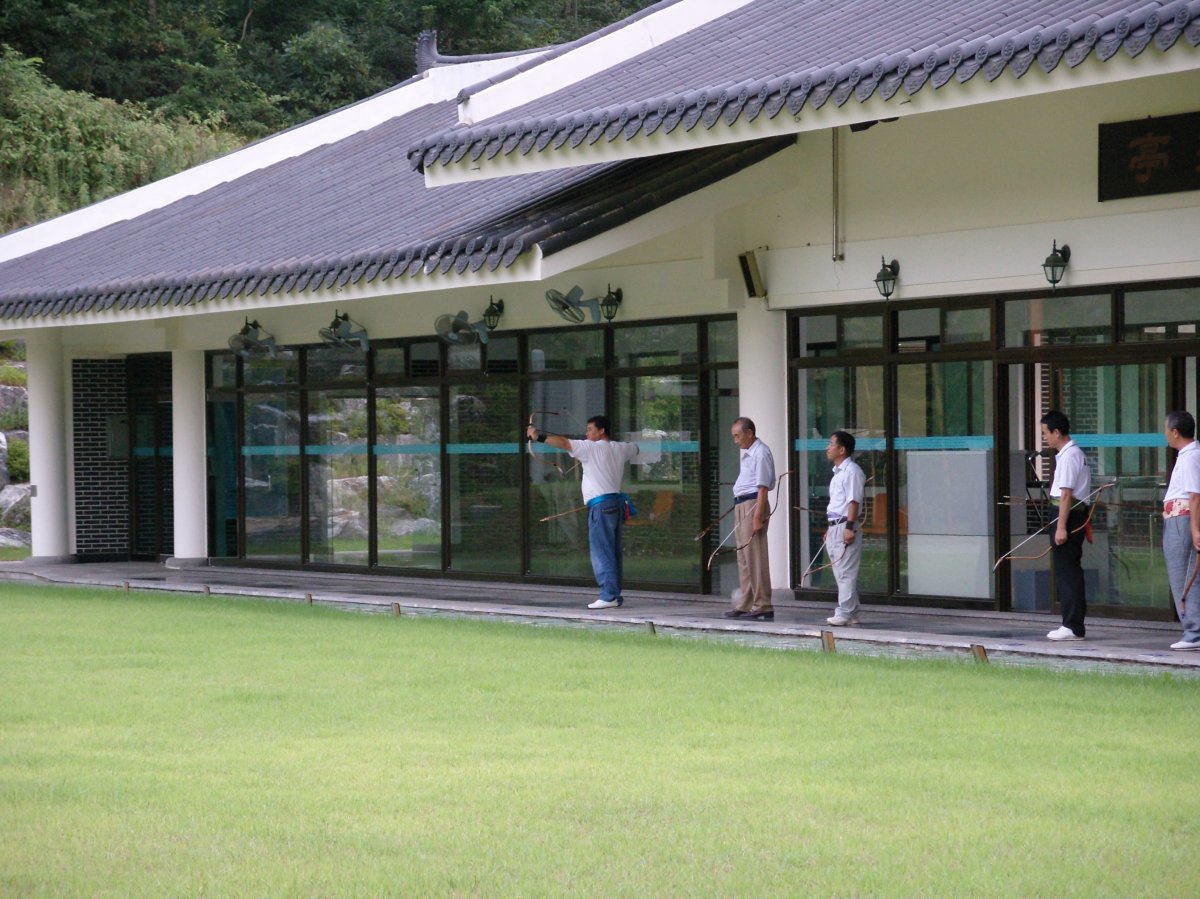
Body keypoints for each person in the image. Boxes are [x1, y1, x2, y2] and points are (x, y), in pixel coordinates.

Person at [527, 415, 638, 610]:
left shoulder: (591, 447)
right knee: (612, 550)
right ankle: (614, 594)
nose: (586, 434)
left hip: (601, 506)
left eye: (590, 430)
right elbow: (635, 448)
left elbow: (563, 443)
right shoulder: (620, 448)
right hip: (615, 504)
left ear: (601, 431)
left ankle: (608, 595)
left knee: (601, 550)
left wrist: (537, 436)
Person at [1040, 410, 1091, 641]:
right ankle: (1072, 623)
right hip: (1066, 515)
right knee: (1066, 570)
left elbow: (1066, 495)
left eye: (1045, 433)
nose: (1045, 437)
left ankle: (1072, 625)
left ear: (1057, 432)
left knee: (1068, 571)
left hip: (1068, 518)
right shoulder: (1067, 454)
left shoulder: (1070, 456)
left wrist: (1061, 527)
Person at [723, 417, 775, 622]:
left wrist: (757, 516)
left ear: (749, 433)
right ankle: (746, 602)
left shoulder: (760, 453)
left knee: (755, 556)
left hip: (753, 504)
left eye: (737, 435)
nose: (736, 440)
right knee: (744, 558)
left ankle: (763, 603)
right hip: (742, 504)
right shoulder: (749, 454)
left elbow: (762, 488)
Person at [1162, 411, 1200, 650]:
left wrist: (1195, 529)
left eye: (1166, 429)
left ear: (1175, 432)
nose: (1165, 434)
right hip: (1176, 519)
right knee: (1182, 575)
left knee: (1184, 576)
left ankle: (1194, 631)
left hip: (1183, 520)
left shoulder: (1190, 457)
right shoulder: (1186, 456)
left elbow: (1195, 495)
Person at [824, 430, 865, 626]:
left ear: (842, 449)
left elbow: (853, 502)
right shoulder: (838, 474)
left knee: (846, 571)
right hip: (835, 525)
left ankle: (844, 612)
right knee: (840, 571)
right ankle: (853, 611)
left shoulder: (852, 472)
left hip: (845, 526)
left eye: (831, 444)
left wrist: (849, 527)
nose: (828, 447)